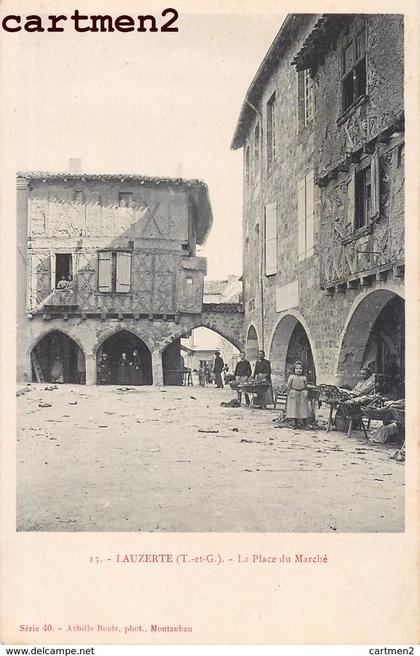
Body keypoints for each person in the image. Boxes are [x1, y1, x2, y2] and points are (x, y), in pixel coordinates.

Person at [286, 360, 311, 427]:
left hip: (302, 393)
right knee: (294, 408)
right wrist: (289, 392)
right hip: (294, 393)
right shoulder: (292, 377)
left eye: (300, 368)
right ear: (294, 369)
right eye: (297, 368)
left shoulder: (304, 377)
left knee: (303, 408)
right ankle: (295, 422)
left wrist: (306, 391)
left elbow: (305, 386)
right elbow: (288, 385)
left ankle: (304, 422)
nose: (299, 370)